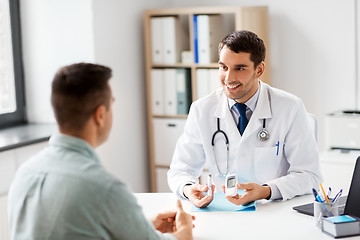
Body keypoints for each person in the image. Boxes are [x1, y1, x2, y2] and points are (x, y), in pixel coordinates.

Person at [8, 63, 194, 240]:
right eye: (111, 104)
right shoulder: (105, 188)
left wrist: (142, 227)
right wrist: (184, 233)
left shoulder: (25, 174)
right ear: (100, 115)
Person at [168, 30, 323, 208]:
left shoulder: (290, 107)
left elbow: (310, 175)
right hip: (223, 211)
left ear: (259, 69)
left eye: (239, 68)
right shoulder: (202, 110)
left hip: (271, 209)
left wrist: (266, 191)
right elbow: (181, 170)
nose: (229, 78)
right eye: (223, 67)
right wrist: (189, 189)